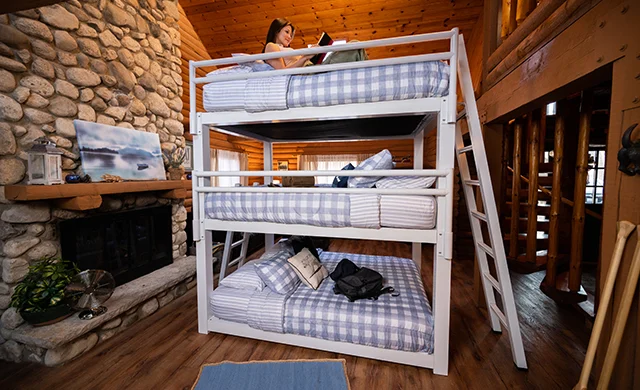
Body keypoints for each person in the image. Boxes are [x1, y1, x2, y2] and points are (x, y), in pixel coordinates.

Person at [263, 18, 368, 70]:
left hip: (313, 66)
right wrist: (304, 58)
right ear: (277, 31)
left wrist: (311, 55)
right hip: (310, 70)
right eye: (287, 32)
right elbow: (282, 72)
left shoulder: (284, 49)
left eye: (291, 34)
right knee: (355, 45)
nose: (289, 37)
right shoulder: (271, 46)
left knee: (356, 48)